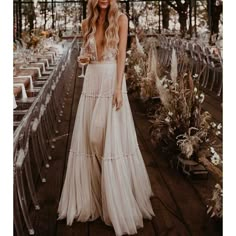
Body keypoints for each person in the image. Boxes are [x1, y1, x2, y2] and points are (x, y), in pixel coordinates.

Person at [57, 0, 155, 235]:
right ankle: (96, 194)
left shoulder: (121, 19)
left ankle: (115, 195)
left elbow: (121, 56)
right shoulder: (86, 23)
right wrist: (84, 58)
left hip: (111, 82)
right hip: (92, 80)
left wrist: (118, 89)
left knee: (106, 138)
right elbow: (86, 54)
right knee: (91, 139)